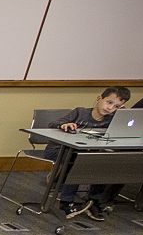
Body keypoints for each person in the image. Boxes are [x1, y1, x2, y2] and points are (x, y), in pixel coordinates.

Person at [45, 86, 130, 221]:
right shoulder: (80, 113)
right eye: (109, 102)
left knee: (105, 162)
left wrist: (123, 116)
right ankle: (66, 201)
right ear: (99, 99)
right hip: (59, 150)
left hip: (87, 153)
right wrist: (63, 125)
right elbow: (53, 123)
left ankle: (94, 201)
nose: (110, 108)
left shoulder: (112, 119)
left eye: (116, 106)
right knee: (79, 163)